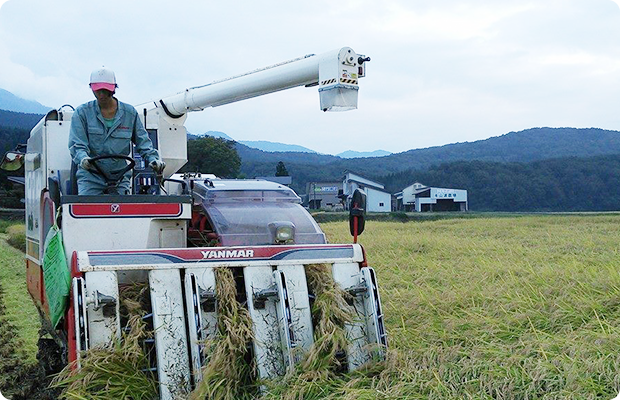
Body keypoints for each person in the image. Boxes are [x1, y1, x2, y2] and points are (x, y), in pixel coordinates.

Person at [68, 66, 165, 195]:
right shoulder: (82, 113)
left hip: (120, 177)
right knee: (87, 210)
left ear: (113, 89)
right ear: (92, 88)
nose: (101, 94)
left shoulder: (130, 114)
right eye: (98, 90)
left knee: (122, 210)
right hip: (91, 177)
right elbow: (77, 144)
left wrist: (154, 159)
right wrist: (83, 159)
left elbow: (144, 143)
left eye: (105, 90)